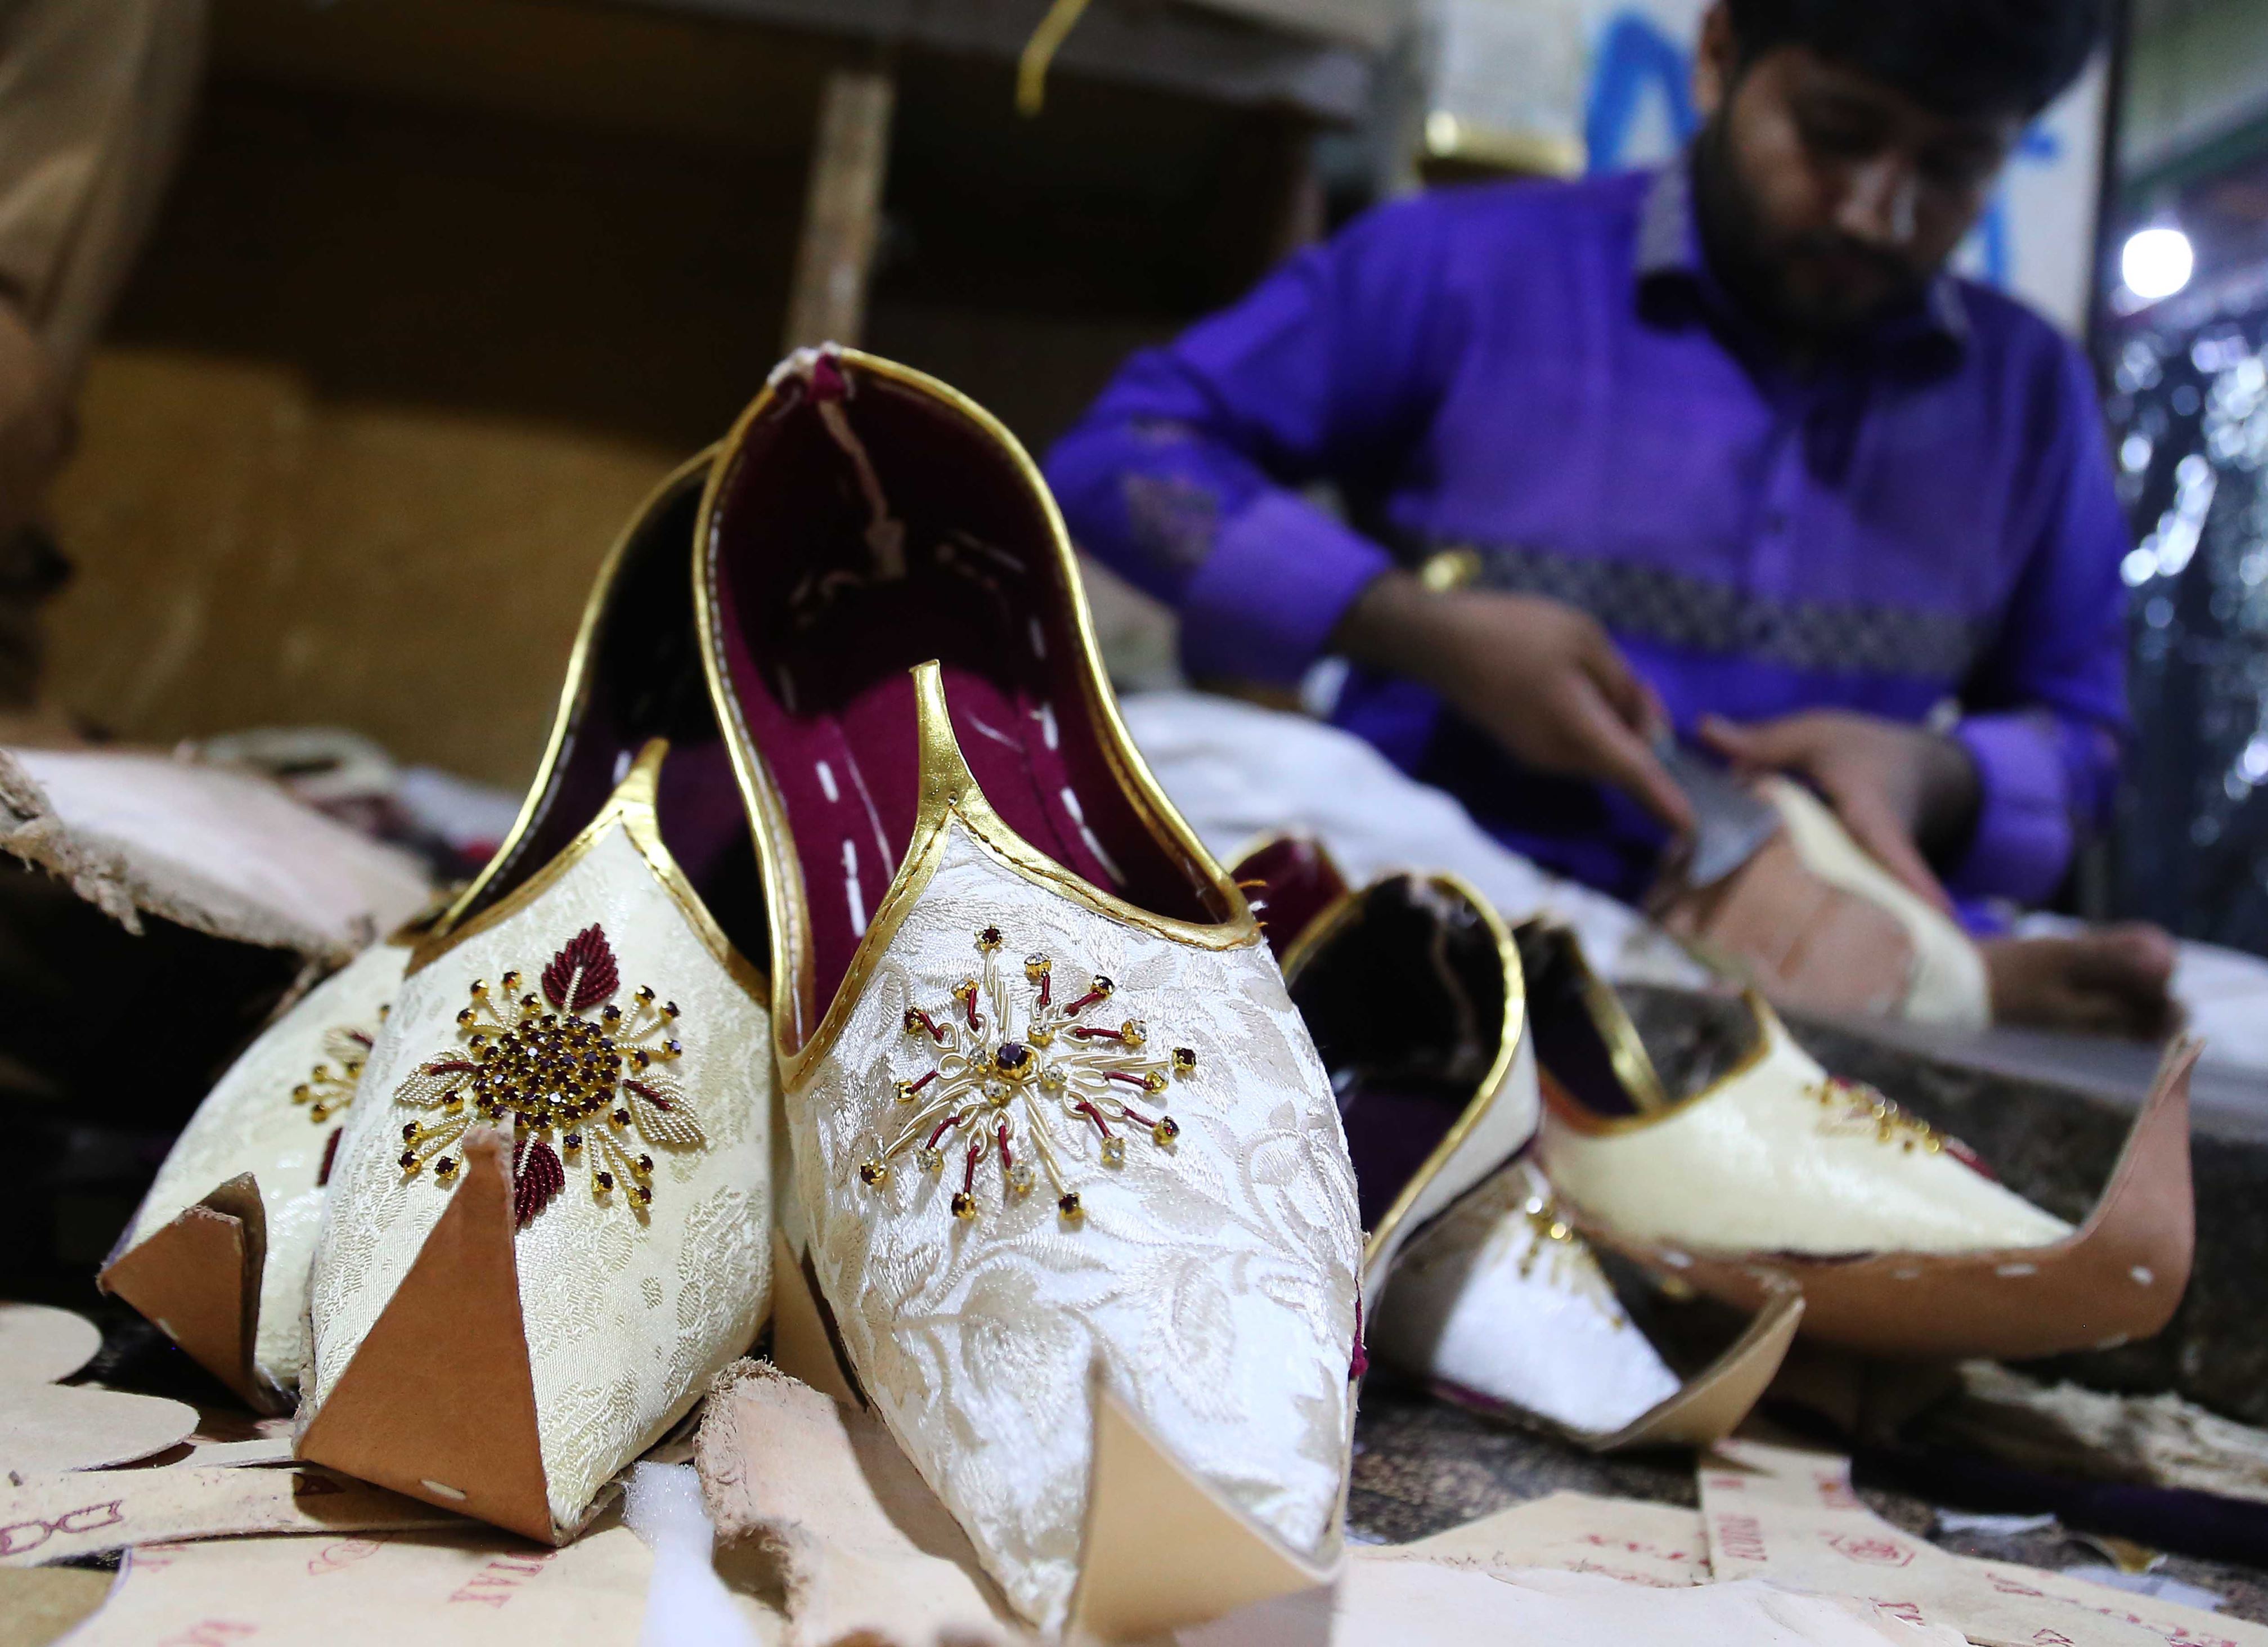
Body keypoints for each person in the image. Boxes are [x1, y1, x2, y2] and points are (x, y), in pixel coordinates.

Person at [1047, 0, 2174, 1034]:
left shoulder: (2030, 395)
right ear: (1721, 56)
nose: (1879, 212)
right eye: (1837, 132)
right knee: (1193, 765)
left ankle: (1911, 980)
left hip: (1811, 946)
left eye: (1954, 166)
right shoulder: (1463, 267)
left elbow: (2085, 743)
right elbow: (1123, 453)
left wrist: (1938, 774)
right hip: (1452, 924)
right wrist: (1415, 630)